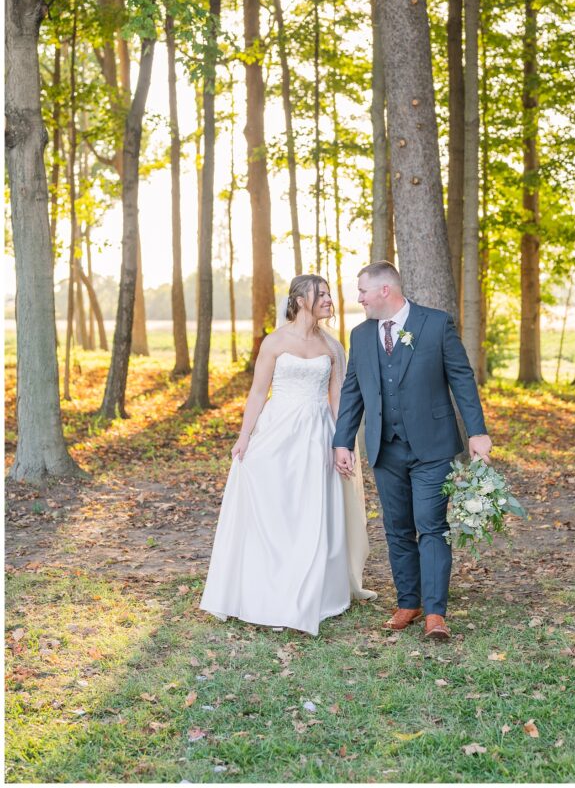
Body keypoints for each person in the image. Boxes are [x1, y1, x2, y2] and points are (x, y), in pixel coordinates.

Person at [200, 274, 375, 636]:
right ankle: (269, 586)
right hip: (277, 431)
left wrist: (342, 442)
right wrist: (244, 437)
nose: (328, 299)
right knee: (277, 507)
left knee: (313, 509)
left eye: (328, 294)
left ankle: (313, 589)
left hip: (318, 434)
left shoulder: (332, 346)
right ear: (298, 300)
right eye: (320, 294)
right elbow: (257, 392)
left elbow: (338, 399)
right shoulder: (275, 341)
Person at [332, 261, 492, 640]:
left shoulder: (435, 324)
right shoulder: (361, 335)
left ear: (385, 290)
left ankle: (436, 613)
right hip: (384, 448)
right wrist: (342, 440)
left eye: (363, 291)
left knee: (431, 525)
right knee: (397, 528)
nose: (359, 298)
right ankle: (409, 602)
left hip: (433, 446)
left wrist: (477, 432)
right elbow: (353, 390)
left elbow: (461, 378)